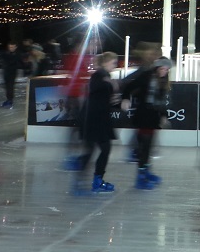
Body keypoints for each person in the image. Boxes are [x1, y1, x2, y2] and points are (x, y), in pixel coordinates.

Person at [72, 52, 121, 194]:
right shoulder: (98, 75)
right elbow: (95, 88)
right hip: (93, 119)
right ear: (105, 62)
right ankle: (88, 181)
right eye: (113, 62)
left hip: (98, 119)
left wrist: (117, 102)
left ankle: (92, 181)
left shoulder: (105, 76)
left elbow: (104, 98)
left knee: (99, 149)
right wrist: (110, 84)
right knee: (95, 150)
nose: (115, 64)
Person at [121, 56, 171, 189]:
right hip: (143, 116)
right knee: (144, 147)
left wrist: (163, 116)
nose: (164, 71)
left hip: (153, 118)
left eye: (167, 69)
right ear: (157, 67)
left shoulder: (162, 81)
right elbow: (129, 86)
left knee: (148, 147)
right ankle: (141, 177)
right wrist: (125, 99)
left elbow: (161, 102)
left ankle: (145, 172)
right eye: (162, 68)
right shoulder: (147, 76)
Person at [0, 42, 22, 108]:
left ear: (15, 47)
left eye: (12, 47)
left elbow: (17, 63)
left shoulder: (17, 55)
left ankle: (10, 100)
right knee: (7, 87)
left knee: (10, 86)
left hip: (12, 73)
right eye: (10, 47)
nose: (11, 48)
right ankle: (8, 99)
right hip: (6, 73)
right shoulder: (5, 53)